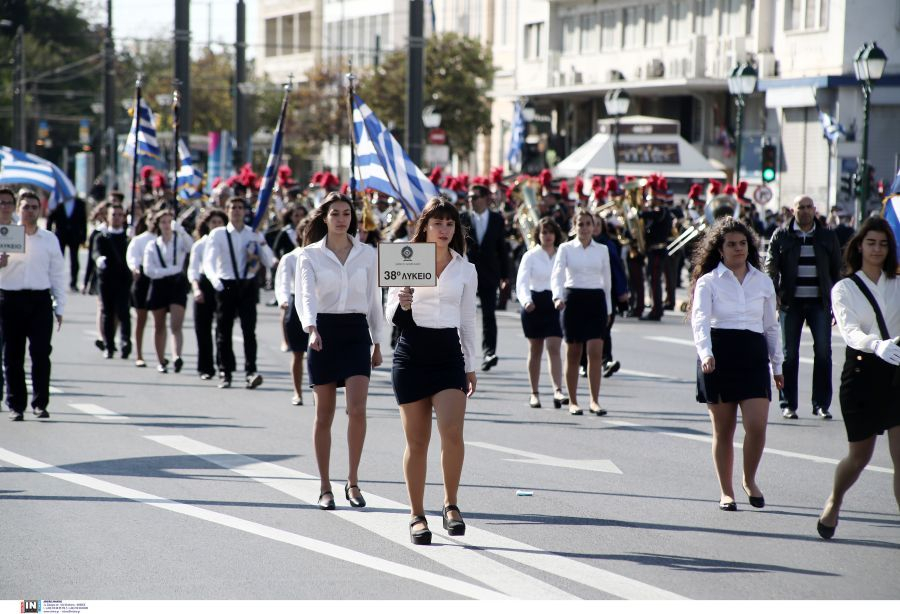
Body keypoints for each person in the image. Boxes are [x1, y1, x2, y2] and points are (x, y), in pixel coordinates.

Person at [385, 196, 477, 545]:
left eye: (449, 223)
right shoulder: (406, 258)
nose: (444, 229)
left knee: (452, 432)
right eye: (437, 223)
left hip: (448, 354)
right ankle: (416, 514)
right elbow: (391, 310)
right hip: (411, 353)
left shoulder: (465, 268)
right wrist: (402, 302)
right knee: (417, 441)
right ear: (425, 226)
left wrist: (470, 365)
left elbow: (468, 320)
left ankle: (451, 504)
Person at [690, 217, 784, 511]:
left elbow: (771, 326)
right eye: (731, 244)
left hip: (753, 354)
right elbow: (701, 320)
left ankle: (749, 479)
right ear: (720, 250)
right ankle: (726, 491)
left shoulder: (763, 281)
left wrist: (777, 365)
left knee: (757, 425)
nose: (738, 249)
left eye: (742, 243)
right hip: (719, 354)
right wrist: (706, 353)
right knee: (725, 430)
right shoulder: (708, 282)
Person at [297, 192, 383, 511]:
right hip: (324, 333)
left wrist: (378, 341)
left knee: (357, 410)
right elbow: (304, 296)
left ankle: (354, 481)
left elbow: (374, 299)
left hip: (357, 332)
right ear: (325, 217)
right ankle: (324, 486)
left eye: (346, 213)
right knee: (324, 415)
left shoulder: (368, 253)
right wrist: (311, 328)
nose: (341, 218)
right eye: (335, 213)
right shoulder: (309, 255)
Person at [817, 217, 900, 539]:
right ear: (859, 246)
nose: (877, 249)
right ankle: (835, 501)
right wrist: (876, 344)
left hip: (896, 373)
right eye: (871, 243)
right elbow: (850, 331)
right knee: (859, 457)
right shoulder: (845, 288)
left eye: (883, 243)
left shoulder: (897, 282)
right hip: (864, 371)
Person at [765, 195, 842, 420]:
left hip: (820, 303)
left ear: (815, 210)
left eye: (810, 207)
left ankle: (821, 405)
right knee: (789, 355)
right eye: (801, 207)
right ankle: (788, 404)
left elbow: (837, 270)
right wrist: (774, 292)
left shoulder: (827, 236)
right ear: (793, 210)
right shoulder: (782, 235)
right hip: (791, 302)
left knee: (824, 353)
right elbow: (771, 266)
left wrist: (837, 304)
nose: (806, 211)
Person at [0, 191, 66, 421]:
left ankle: (40, 403)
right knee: (13, 355)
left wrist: (60, 306)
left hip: (39, 300)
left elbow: (57, 273)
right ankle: (16, 404)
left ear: (40, 210)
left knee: (40, 353)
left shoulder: (48, 239)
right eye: (26, 207)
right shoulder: (5, 234)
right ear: (18, 209)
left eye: (34, 207)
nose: (30, 211)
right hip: (10, 299)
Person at [203, 197, 274, 389]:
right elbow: (208, 262)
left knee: (249, 331)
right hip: (225, 284)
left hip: (247, 285)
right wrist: (215, 281)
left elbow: (270, 261)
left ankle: (250, 371)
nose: (236, 211)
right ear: (226, 210)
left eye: (240, 207)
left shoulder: (253, 233)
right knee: (223, 331)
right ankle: (225, 372)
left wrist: (262, 243)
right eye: (232, 207)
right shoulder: (218, 234)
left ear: (245, 211)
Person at [551, 209, 612, 417]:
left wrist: (609, 308)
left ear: (593, 227)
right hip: (573, 300)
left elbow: (607, 280)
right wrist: (557, 297)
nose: (585, 228)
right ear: (574, 227)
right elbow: (557, 275)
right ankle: (573, 401)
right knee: (573, 352)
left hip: (596, 301)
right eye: (581, 224)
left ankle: (594, 400)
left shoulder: (602, 249)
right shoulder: (565, 248)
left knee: (595, 352)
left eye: (588, 224)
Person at [516, 218, 567, 409]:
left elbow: (565, 278)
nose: (547, 236)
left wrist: (562, 298)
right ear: (538, 234)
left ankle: (557, 390)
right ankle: (534, 393)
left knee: (554, 347)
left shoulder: (562, 255)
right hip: (534, 304)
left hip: (554, 304)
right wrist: (527, 301)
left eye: (551, 232)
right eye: (544, 232)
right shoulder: (530, 256)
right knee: (535, 349)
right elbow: (521, 282)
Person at [459, 184, 509, 371]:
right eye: (470, 197)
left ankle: (489, 352)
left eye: (476, 197)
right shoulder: (463, 217)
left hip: (489, 274)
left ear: (486, 198)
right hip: (466, 273)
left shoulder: (496, 219)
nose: (471, 200)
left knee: (489, 314)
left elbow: (501, 249)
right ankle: (462, 352)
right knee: (463, 314)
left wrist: (505, 275)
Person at [143, 209, 193, 373]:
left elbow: (190, 247)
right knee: (159, 325)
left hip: (177, 285)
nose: (166, 225)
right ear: (158, 225)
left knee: (176, 324)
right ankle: (160, 360)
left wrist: (181, 230)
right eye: (163, 222)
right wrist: (168, 271)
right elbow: (149, 270)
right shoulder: (152, 245)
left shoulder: (179, 241)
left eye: (169, 222)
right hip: (159, 285)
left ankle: (176, 356)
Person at [188, 208, 227, 380]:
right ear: (207, 225)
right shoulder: (200, 245)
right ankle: (205, 367)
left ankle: (223, 365)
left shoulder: (228, 241)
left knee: (222, 328)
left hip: (222, 284)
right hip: (204, 284)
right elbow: (193, 270)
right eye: (213, 223)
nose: (217, 226)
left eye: (220, 222)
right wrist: (196, 289)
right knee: (202, 328)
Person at [275, 218, 310, 406]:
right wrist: (284, 300)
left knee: (316, 353)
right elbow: (282, 283)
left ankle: (318, 391)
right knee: (298, 353)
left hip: (319, 306)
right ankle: (298, 392)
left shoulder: (323, 255)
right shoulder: (290, 257)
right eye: (306, 231)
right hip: (297, 304)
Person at [91, 203, 132, 359]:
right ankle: (109, 345)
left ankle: (125, 342)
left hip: (123, 280)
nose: (117, 218)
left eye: (120, 215)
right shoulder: (102, 237)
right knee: (108, 313)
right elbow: (95, 253)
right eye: (113, 214)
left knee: (123, 312)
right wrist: (99, 259)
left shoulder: (127, 237)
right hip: (106, 280)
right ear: (107, 217)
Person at [126, 213, 156, 368]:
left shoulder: (166, 238)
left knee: (160, 320)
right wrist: (135, 268)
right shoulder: (140, 240)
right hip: (142, 280)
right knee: (141, 318)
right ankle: (139, 354)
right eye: (151, 219)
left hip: (158, 279)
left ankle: (161, 355)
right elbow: (132, 258)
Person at [47, 195, 87, 290]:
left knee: (74, 259)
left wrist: (83, 237)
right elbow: (50, 219)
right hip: (61, 235)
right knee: (59, 259)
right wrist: (49, 234)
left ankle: (73, 283)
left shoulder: (79, 203)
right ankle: (56, 282)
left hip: (74, 235)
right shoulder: (58, 201)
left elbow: (83, 221)